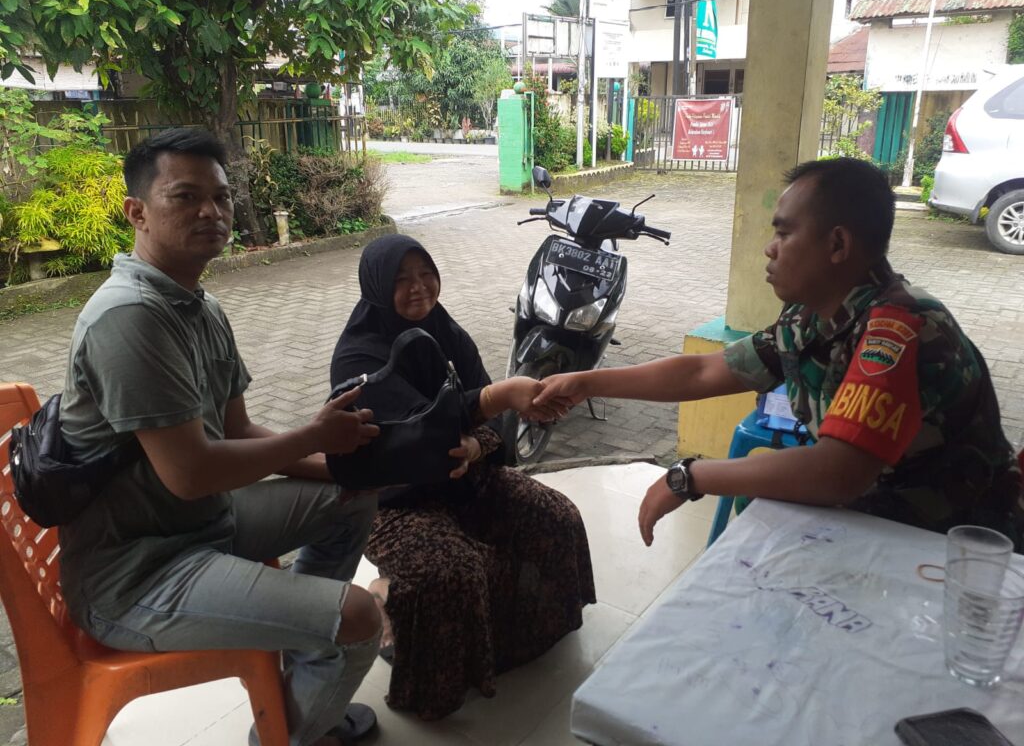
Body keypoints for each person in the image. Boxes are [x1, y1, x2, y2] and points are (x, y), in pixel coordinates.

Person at [59, 128, 384, 746]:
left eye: (221, 196)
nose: (211, 211)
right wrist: (312, 436)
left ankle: (308, 670)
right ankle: (292, 730)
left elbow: (239, 432)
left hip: (203, 524)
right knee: (359, 615)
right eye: (186, 197)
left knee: (353, 497)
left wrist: (343, 467)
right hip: (138, 573)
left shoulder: (199, 306)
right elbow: (193, 473)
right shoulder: (129, 317)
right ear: (137, 213)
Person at [535, 157, 1024, 551]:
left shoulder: (897, 330)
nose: (770, 249)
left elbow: (837, 473)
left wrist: (691, 476)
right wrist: (588, 382)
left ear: (838, 244)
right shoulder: (810, 316)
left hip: (956, 547)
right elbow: (706, 371)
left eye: (784, 234)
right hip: (880, 529)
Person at [330, 234, 596, 720]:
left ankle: (505, 643)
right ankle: (397, 616)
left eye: (425, 273)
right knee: (449, 570)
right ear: (377, 287)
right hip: (393, 501)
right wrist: (495, 402)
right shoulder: (358, 358)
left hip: (464, 477)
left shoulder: (446, 332)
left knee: (554, 517)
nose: (419, 287)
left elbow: (485, 417)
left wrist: (477, 446)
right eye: (402, 279)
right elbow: (425, 432)